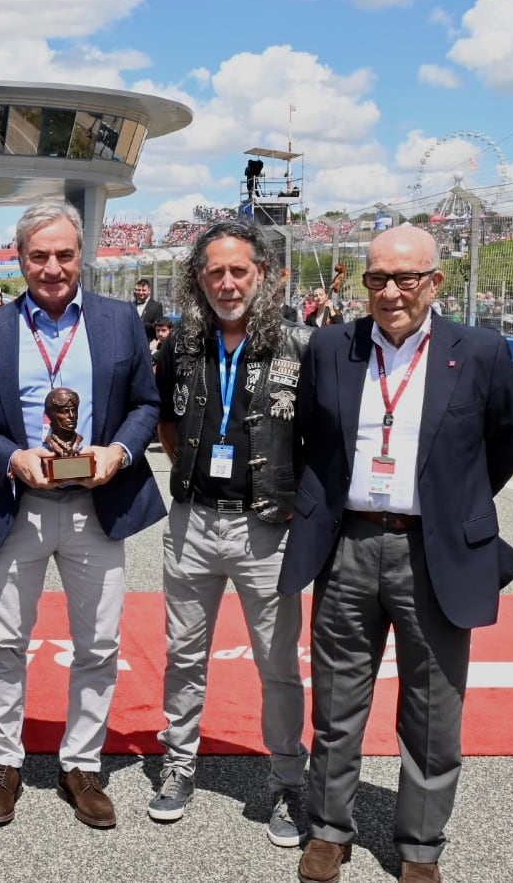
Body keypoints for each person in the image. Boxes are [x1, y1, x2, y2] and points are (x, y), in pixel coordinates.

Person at [281, 225, 513, 883]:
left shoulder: (480, 351)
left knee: (432, 708)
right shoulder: (332, 346)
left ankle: (421, 844)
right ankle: (330, 830)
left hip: (433, 549)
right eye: (376, 279)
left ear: (435, 282)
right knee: (336, 702)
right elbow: (310, 434)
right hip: (349, 543)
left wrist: (452, 507)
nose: (390, 292)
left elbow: (504, 443)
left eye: (406, 278)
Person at [0, 200, 165, 830]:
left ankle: (82, 764)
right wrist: (11, 457)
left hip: (97, 507)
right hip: (21, 507)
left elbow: (146, 405)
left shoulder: (121, 321)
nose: (52, 267)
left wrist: (119, 451)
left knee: (98, 643)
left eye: (64, 255)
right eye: (38, 255)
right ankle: (2, 763)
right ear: (19, 259)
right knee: (4, 641)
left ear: (81, 257)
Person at [148, 220, 312, 846]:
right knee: (183, 655)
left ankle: (287, 784)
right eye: (214, 271)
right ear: (198, 277)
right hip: (193, 521)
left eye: (238, 270)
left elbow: (320, 436)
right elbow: (166, 422)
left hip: (266, 526)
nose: (226, 282)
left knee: (277, 666)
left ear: (262, 274)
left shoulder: (301, 344)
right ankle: (179, 765)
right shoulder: (182, 343)